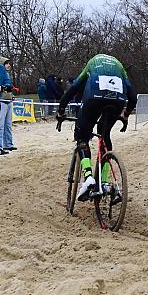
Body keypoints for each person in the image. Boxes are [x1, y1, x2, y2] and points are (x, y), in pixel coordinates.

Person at [56, 54, 137, 202]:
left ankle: (88, 179)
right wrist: (125, 116)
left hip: (94, 98)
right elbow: (133, 97)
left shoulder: (92, 62)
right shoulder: (119, 66)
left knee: (82, 136)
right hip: (117, 100)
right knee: (105, 135)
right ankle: (104, 181)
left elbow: (73, 89)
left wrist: (61, 111)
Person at [0, 57, 19, 152]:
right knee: (0, 125)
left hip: (8, 101)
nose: (9, 65)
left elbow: (8, 88)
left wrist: (11, 95)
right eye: (6, 63)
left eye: (9, 63)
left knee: (8, 124)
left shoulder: (7, 75)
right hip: (1, 101)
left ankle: (8, 144)